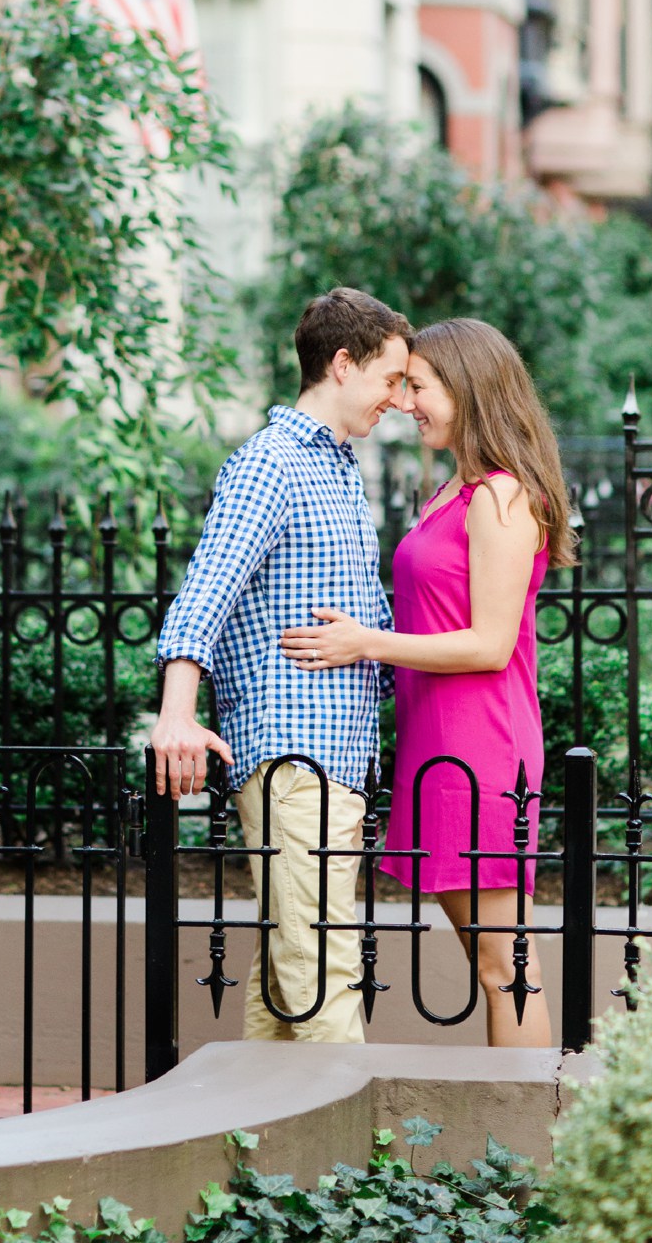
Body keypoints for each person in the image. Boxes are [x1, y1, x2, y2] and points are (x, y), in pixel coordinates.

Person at [280, 316, 573, 1046]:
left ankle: (528, 1151)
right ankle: (519, 1149)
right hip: (435, 743)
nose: (407, 402)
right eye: (403, 384)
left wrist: (362, 643)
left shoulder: (502, 496)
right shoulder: (453, 492)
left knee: (503, 963)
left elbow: (488, 645)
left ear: (470, 390)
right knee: (491, 961)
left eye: (420, 386)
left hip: (478, 746)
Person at [149, 286, 412, 1042]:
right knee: (321, 977)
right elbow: (207, 587)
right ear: (341, 364)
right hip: (294, 756)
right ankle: (363, 1164)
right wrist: (176, 714)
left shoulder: (334, 466)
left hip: (334, 755)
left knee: (283, 985)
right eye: (389, 379)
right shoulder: (271, 463)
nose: (396, 399)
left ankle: (259, 1159)